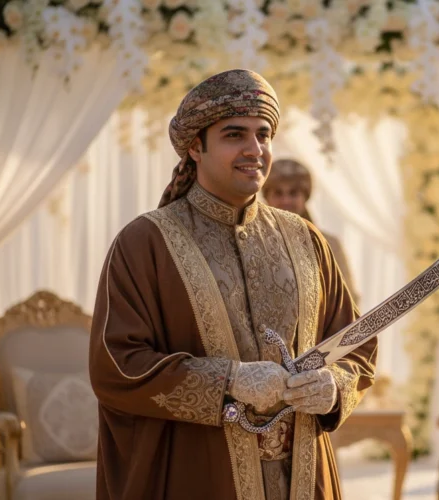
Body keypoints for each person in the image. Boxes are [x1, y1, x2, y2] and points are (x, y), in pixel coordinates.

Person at [88, 69, 377, 500]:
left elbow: (355, 343)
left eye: (264, 135)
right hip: (198, 476)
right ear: (195, 147)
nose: (254, 149)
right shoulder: (146, 242)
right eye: (234, 135)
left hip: (303, 476)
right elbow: (117, 364)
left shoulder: (306, 239)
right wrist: (229, 380)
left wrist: (334, 386)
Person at [261, 159, 361, 305]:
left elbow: (347, 300)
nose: (285, 200)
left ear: (305, 197)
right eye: (278, 193)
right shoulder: (252, 241)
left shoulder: (328, 244)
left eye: (293, 193)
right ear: (267, 198)